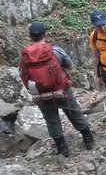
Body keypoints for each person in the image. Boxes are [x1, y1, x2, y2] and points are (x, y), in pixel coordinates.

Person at [19, 22, 94, 156]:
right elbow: (69, 64)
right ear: (45, 34)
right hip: (61, 89)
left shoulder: (25, 55)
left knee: (50, 118)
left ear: (30, 37)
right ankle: (88, 140)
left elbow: (23, 73)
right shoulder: (54, 50)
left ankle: (62, 148)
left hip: (40, 93)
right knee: (73, 112)